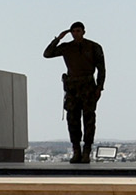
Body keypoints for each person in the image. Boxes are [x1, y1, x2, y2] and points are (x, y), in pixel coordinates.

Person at [41, 22, 108, 164]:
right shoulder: (67, 47)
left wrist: (99, 87)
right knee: (72, 120)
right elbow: (47, 54)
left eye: (78, 31)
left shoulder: (93, 47)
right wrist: (58, 39)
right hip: (72, 87)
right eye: (73, 31)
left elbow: (101, 68)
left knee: (89, 120)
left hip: (88, 86)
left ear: (83, 32)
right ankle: (76, 150)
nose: (75, 34)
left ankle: (86, 151)